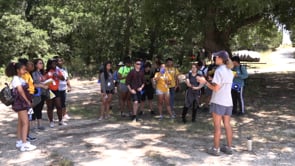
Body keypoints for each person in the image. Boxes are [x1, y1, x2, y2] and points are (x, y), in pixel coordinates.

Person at [198, 50, 234, 156]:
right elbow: (221, 84)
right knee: (227, 125)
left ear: (221, 59)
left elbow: (216, 88)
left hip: (218, 101)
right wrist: (211, 80)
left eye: (216, 57)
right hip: (228, 102)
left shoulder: (219, 70)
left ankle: (216, 149)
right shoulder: (230, 71)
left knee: (217, 127)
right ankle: (229, 147)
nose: (215, 59)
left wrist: (204, 82)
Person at [5, 62, 37, 152]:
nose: (25, 70)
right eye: (23, 69)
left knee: (20, 122)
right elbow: (20, 91)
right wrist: (27, 101)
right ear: (17, 70)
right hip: (21, 103)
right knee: (25, 122)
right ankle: (24, 144)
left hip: (20, 103)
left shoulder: (18, 78)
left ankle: (19, 141)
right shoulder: (16, 79)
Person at [18, 58, 37, 141]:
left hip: (29, 96)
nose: (31, 65)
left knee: (25, 119)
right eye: (29, 64)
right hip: (26, 98)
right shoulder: (23, 75)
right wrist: (28, 100)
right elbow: (24, 88)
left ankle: (24, 137)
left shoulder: (28, 73)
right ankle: (25, 137)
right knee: (26, 119)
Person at [44, 59, 66, 127]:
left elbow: (63, 78)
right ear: (50, 64)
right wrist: (50, 80)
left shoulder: (57, 70)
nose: (54, 65)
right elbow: (43, 81)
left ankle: (60, 120)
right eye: (53, 64)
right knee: (50, 106)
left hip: (56, 90)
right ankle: (51, 121)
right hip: (49, 90)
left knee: (59, 106)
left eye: (55, 64)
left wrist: (58, 76)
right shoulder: (46, 72)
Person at [31, 58, 48, 131]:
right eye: (40, 63)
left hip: (42, 93)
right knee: (34, 109)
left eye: (42, 63)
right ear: (35, 65)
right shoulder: (33, 73)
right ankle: (32, 126)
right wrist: (41, 85)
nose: (42, 64)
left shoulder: (41, 73)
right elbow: (32, 84)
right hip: (36, 94)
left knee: (40, 109)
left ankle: (40, 125)